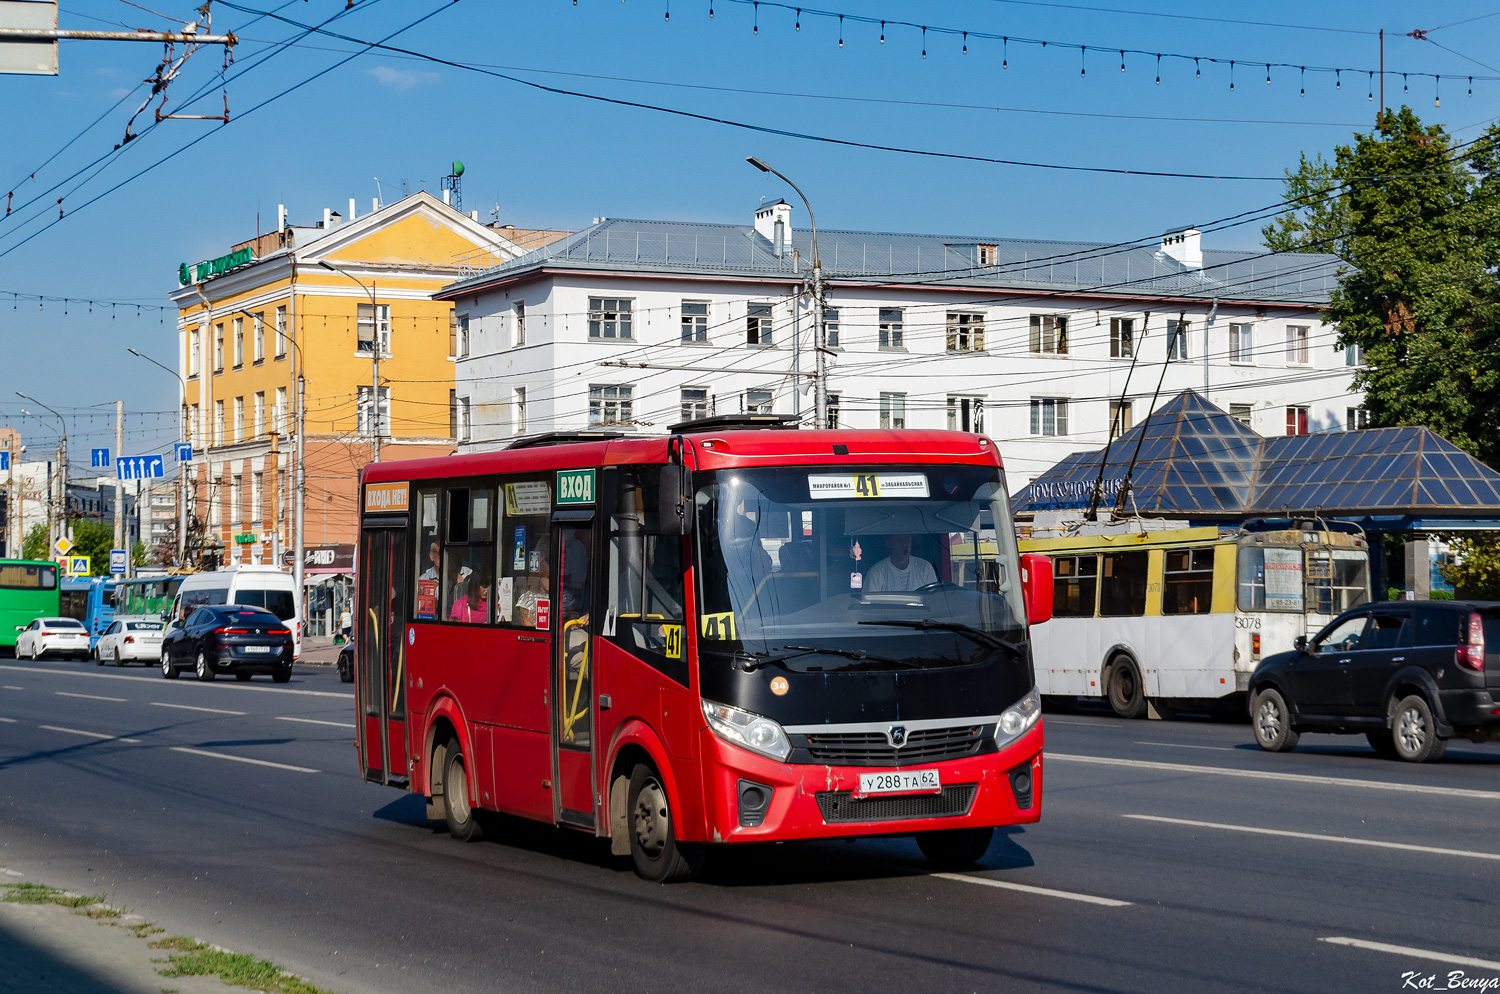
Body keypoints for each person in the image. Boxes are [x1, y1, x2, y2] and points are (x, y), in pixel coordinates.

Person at [865, 533, 938, 592]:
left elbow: (933, 599)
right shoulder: (876, 572)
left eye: (907, 538)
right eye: (899, 540)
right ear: (889, 544)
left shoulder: (925, 567)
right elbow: (868, 603)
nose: (905, 544)